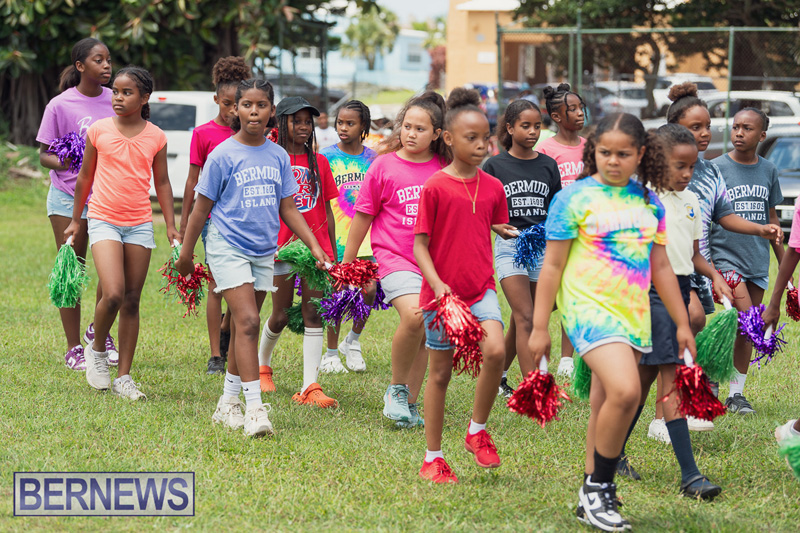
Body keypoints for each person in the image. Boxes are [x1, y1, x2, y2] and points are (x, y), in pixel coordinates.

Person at [528, 113, 696, 531]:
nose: (614, 161)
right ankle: (600, 488)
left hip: (633, 312)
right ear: (593, 152)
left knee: (605, 403)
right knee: (625, 392)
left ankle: (590, 492)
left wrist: (681, 323)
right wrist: (538, 326)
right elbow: (551, 266)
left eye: (624, 154)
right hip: (587, 312)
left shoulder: (647, 202)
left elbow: (660, 267)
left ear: (641, 154)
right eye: (605, 152)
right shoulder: (574, 199)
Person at [177, 79, 329, 436]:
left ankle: (227, 403)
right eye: (247, 105)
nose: (254, 111)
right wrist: (186, 253)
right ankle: (255, 410)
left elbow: (288, 207)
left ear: (272, 111)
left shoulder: (277, 155)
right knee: (246, 321)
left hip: (264, 251)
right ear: (235, 109)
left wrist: (314, 245)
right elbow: (201, 209)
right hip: (227, 246)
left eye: (261, 105)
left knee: (246, 326)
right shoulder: (222, 155)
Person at [615, 123, 728, 500]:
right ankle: (690, 476)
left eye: (692, 167)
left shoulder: (691, 202)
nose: (687, 174)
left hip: (678, 289)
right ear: (656, 161)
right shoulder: (642, 201)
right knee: (673, 378)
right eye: (680, 166)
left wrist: (715, 276)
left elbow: (694, 255)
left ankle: (612, 455)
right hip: (649, 295)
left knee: (643, 383)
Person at [663, 83, 780, 431]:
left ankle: (689, 396)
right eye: (695, 126)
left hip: (699, 265)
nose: (705, 133)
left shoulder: (711, 172)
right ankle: (684, 398)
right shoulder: (659, 169)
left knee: (691, 327)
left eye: (707, 125)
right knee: (692, 322)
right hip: (664, 265)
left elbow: (723, 215)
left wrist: (761, 229)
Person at [64, 66, 180, 400]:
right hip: (103, 218)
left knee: (131, 300)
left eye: (127, 92)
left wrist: (171, 225)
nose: (118, 97)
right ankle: (97, 349)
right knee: (112, 292)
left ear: (144, 98)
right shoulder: (99, 130)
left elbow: (161, 182)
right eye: (115, 91)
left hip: (140, 223)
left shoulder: (156, 136)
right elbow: (85, 177)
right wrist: (76, 219)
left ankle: (124, 377)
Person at [414, 88, 508, 483]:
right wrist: (437, 285)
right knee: (440, 375)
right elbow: (420, 244)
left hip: (481, 288)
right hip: (442, 298)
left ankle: (476, 430)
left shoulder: (493, 187)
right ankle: (432, 457)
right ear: (448, 139)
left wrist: (499, 227)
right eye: (470, 138)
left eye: (485, 137)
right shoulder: (435, 186)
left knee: (497, 349)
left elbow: (482, 220)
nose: (481, 145)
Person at [342, 91, 450, 428]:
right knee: (416, 317)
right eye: (407, 126)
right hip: (394, 257)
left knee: (430, 329)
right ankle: (396, 389)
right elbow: (362, 217)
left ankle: (410, 404)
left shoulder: (445, 169)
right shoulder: (384, 166)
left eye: (421, 129)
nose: (412, 133)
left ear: (437, 134)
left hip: (433, 264)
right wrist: (348, 266)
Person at [37, 37, 116, 371]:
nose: (107, 66)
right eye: (99, 60)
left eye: (109, 60)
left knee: (111, 271)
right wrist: (68, 159)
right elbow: (43, 155)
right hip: (67, 199)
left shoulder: (116, 99)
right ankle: (73, 348)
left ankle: (98, 331)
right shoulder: (60, 105)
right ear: (81, 66)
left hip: (108, 198)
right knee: (72, 269)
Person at [257, 96, 339, 407]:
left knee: (312, 312)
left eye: (308, 121)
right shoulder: (272, 159)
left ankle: (310, 386)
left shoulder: (320, 162)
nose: (304, 126)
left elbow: (327, 209)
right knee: (279, 314)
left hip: (316, 251)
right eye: (296, 120)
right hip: (280, 251)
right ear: (281, 122)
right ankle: (262, 365)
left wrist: (331, 251)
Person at [482, 99, 560, 398]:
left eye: (537, 126)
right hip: (510, 245)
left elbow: (557, 208)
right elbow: (484, 208)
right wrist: (494, 225)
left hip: (541, 247)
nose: (532, 132)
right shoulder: (495, 165)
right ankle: (536, 390)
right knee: (527, 316)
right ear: (510, 127)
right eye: (525, 126)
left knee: (527, 317)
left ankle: (499, 376)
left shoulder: (547, 165)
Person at [179, 56, 251, 375]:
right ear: (216, 100)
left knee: (242, 284)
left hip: (246, 219)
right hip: (212, 221)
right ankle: (216, 355)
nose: (233, 110)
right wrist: (183, 226)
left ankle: (227, 328)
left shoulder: (253, 134)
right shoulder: (204, 134)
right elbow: (193, 181)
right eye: (226, 103)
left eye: (239, 103)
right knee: (216, 286)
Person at [710, 107, 783, 415]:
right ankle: (710, 380)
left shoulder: (768, 171)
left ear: (761, 135)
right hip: (725, 257)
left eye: (747, 128)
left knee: (743, 328)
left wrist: (785, 267)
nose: (739, 133)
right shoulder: (715, 167)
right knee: (749, 317)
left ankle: (735, 394)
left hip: (756, 260)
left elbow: (772, 219)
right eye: (736, 127)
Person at [319, 100, 378, 373]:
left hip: (366, 237)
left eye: (350, 123)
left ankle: (352, 341)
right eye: (340, 122)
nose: (343, 128)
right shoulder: (326, 157)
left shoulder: (373, 159)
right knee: (337, 294)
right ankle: (330, 354)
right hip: (336, 238)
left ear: (363, 126)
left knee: (369, 291)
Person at [536, 83, 588, 377]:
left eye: (581, 108)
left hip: (585, 235)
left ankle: (567, 359)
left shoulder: (589, 147)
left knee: (575, 295)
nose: (580, 114)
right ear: (556, 116)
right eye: (573, 109)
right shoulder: (545, 149)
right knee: (547, 297)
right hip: (554, 234)